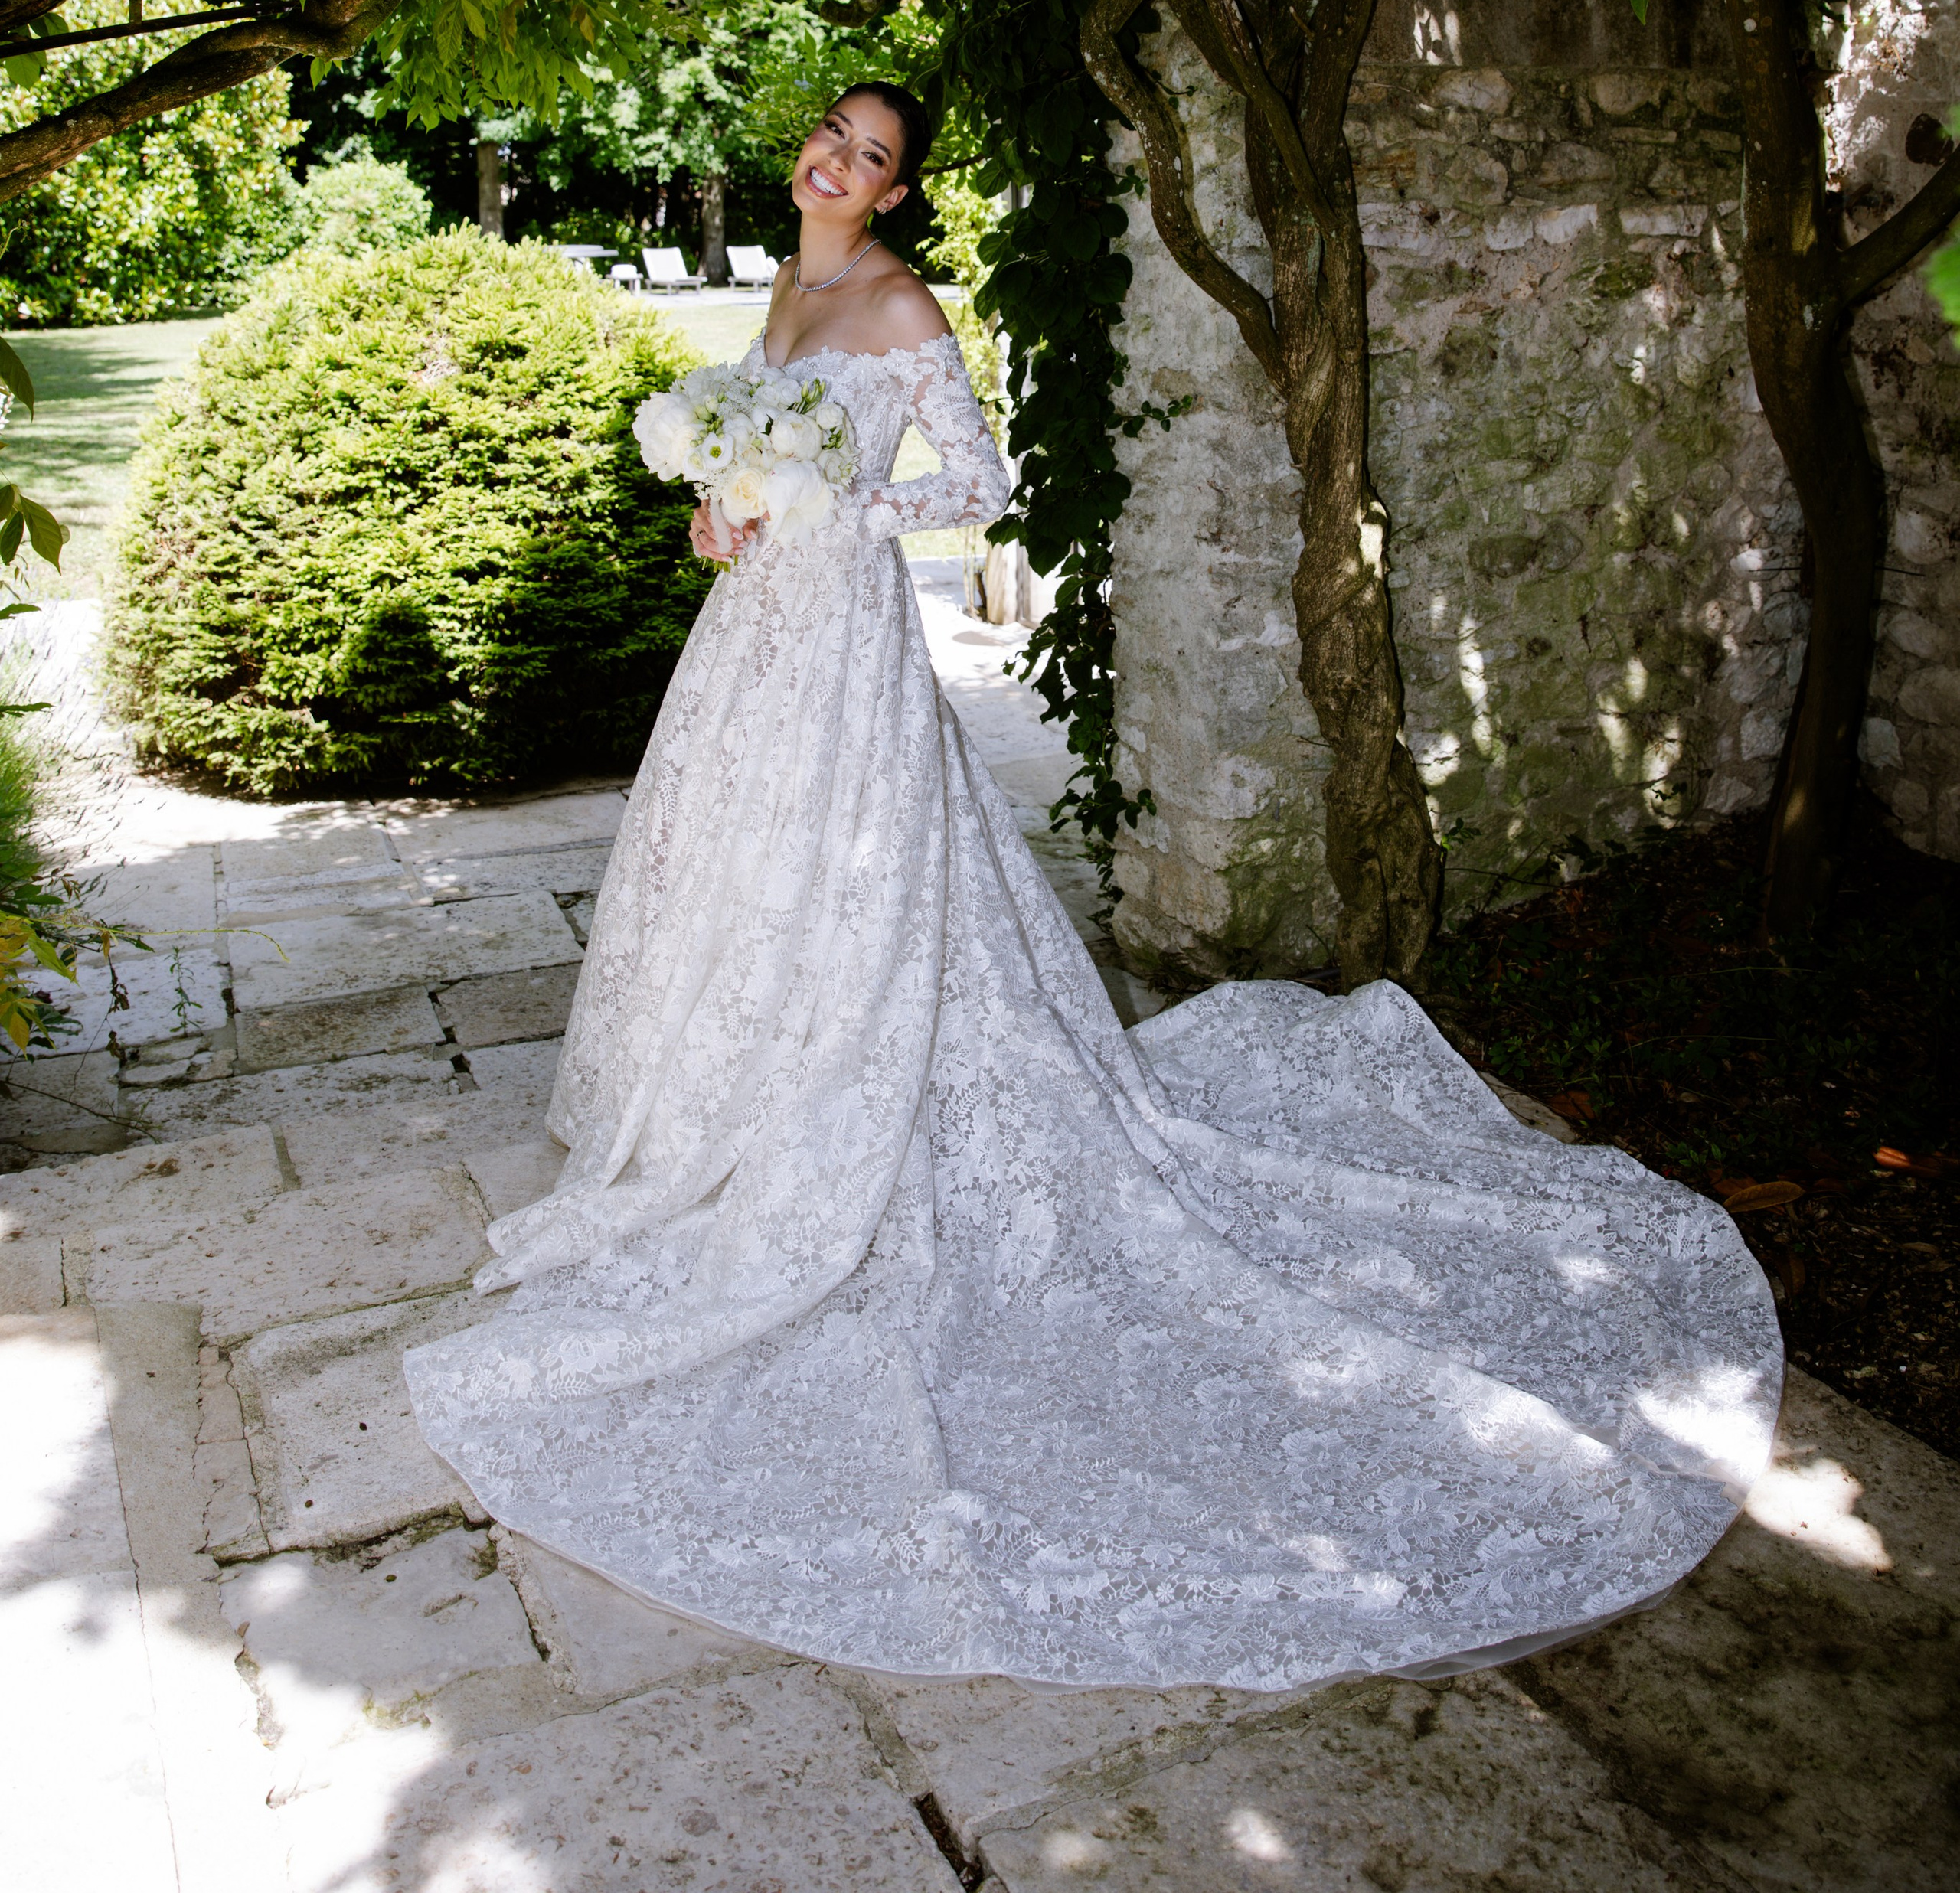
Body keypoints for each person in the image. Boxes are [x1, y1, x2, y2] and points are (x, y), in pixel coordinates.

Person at [407, 82, 1781, 1692]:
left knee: (861, 888)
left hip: (846, 639)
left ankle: (846, 1119)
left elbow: (977, 479)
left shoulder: (898, 301)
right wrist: (733, 504)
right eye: (833, 136)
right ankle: (727, 1112)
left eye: (872, 156)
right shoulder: (784, 282)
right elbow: (763, 467)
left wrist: (840, 492)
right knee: (737, 870)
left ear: (896, 194)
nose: (838, 161)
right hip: (755, 633)